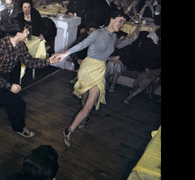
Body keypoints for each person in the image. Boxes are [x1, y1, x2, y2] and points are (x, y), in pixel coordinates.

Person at [54, 11, 139, 147]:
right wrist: (65, 54)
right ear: (111, 19)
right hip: (88, 68)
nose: (122, 25)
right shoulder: (97, 33)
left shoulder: (113, 36)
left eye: (124, 22)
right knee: (85, 100)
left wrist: (133, 38)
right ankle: (81, 120)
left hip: (100, 70)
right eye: (120, 21)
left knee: (89, 104)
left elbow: (118, 45)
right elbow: (82, 45)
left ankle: (69, 130)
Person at [0, 18, 60, 137]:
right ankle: (19, 128)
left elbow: (29, 61)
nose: (28, 33)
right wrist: (9, 87)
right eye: (26, 31)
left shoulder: (20, 45)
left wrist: (48, 61)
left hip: (4, 77)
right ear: (18, 34)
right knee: (18, 104)